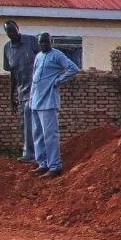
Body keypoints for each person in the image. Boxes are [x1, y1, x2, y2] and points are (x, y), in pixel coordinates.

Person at [28, 32, 80, 176]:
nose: (43, 45)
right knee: (37, 134)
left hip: (49, 102)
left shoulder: (57, 55)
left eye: (45, 42)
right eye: (41, 43)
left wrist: (58, 81)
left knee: (50, 135)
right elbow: (34, 79)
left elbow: (73, 69)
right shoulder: (38, 56)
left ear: (51, 42)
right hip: (36, 101)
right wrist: (31, 99)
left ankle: (54, 166)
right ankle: (42, 163)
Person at [0, 19, 37, 160]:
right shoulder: (7, 49)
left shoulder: (32, 41)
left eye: (13, 30)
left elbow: (43, 60)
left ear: (17, 28)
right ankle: (30, 153)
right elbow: (12, 74)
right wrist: (11, 96)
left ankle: (31, 154)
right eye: (8, 31)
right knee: (24, 123)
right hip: (22, 91)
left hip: (36, 89)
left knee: (32, 121)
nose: (11, 33)